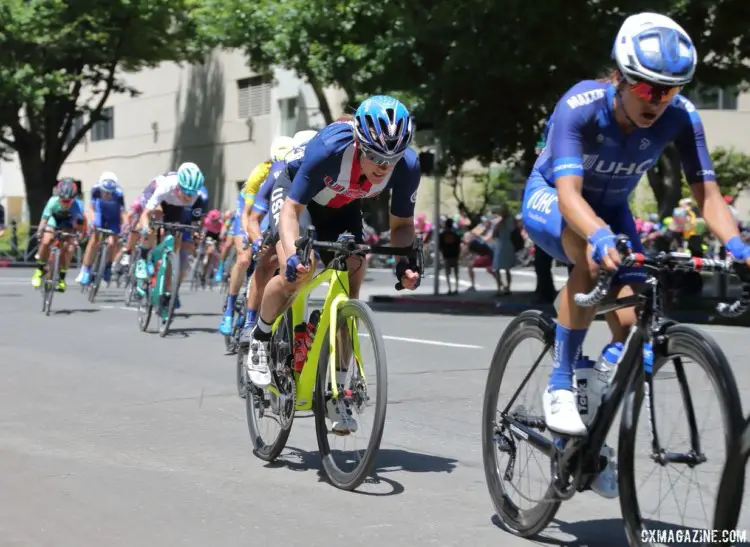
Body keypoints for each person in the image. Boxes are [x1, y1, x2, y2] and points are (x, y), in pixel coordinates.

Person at [520, 12, 750, 498]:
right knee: (585, 248)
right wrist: (600, 237)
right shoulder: (579, 106)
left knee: (637, 320)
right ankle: (561, 381)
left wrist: (739, 248)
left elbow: (708, 197)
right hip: (554, 201)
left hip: (612, 209)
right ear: (621, 79)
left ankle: (593, 433)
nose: (658, 102)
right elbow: (568, 195)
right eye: (648, 89)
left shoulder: (682, 116)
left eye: (670, 91)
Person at [246, 96, 422, 435]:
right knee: (299, 269)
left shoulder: (408, 166)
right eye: (374, 156)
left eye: (392, 158)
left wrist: (404, 266)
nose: (383, 167)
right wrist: (293, 255)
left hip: (342, 205)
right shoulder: (328, 149)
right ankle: (260, 336)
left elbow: (401, 226)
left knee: (353, 273)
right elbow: (291, 211)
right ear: (358, 143)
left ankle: (337, 389)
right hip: (299, 197)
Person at [235, 131, 317, 343]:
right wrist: (258, 240)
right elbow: (253, 217)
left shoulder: (325, 168)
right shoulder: (280, 168)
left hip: (308, 213)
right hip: (280, 210)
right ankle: (250, 322)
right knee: (268, 260)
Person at [217, 136, 293, 335]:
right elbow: (248, 214)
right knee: (243, 258)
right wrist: (253, 238)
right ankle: (229, 309)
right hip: (251, 208)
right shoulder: (261, 173)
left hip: (273, 206)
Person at [134, 162, 206, 308]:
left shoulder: (198, 196)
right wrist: (146, 227)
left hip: (175, 205)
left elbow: (195, 224)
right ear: (179, 186)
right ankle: (143, 258)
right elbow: (145, 215)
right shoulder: (167, 186)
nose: (189, 197)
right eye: (186, 192)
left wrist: (196, 234)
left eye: (192, 193)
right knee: (157, 220)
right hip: (157, 197)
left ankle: (166, 278)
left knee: (177, 235)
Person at [30, 178, 85, 291]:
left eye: (68, 201)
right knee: (46, 240)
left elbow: (79, 226)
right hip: (54, 220)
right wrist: (40, 231)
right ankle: (39, 270)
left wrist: (78, 237)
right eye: (63, 200)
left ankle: (61, 278)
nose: (65, 203)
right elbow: (44, 220)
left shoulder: (78, 206)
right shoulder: (53, 201)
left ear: (74, 198)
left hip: (68, 223)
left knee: (68, 248)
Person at [78, 171, 125, 285]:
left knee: (113, 242)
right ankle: (85, 270)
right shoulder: (95, 190)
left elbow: (123, 213)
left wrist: (125, 227)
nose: (107, 195)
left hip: (113, 217)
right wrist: (91, 222)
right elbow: (92, 209)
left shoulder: (119, 194)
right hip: (100, 214)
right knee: (94, 239)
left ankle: (108, 266)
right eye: (105, 192)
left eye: (110, 193)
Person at [490, 203, 517, 295]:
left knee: (501, 268)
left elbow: (494, 233)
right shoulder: (503, 220)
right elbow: (511, 229)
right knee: (503, 268)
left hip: (502, 244)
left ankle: (503, 288)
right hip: (504, 244)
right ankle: (504, 288)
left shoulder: (503, 220)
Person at [438, 217, 461, 294]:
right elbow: (459, 244)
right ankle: (456, 288)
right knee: (456, 273)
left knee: (447, 273)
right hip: (455, 255)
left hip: (446, 255)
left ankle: (449, 289)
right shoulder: (455, 234)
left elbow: (439, 246)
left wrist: (441, 254)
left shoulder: (442, 235)